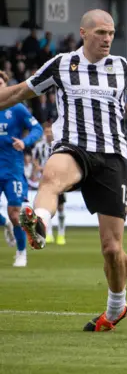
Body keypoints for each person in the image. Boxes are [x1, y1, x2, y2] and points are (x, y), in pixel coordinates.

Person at [0, 10, 127, 331]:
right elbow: (17, 92)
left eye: (111, 33)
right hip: (73, 147)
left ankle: (116, 307)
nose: (107, 39)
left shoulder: (121, 68)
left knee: (112, 249)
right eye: (101, 33)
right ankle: (41, 223)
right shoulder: (62, 64)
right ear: (84, 33)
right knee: (51, 176)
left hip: (112, 158)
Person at [0, 70, 43, 266]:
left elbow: (38, 129)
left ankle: (21, 253)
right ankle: (5, 224)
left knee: (15, 213)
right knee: (9, 218)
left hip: (12, 169)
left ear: (6, 87)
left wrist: (25, 142)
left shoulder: (16, 109)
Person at [32, 122, 67, 245]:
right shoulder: (39, 147)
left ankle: (61, 233)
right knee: (46, 206)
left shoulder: (59, 145)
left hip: (58, 180)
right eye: (46, 132)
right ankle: (49, 234)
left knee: (60, 207)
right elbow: (34, 160)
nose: (48, 134)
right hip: (44, 181)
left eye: (50, 132)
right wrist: (39, 169)